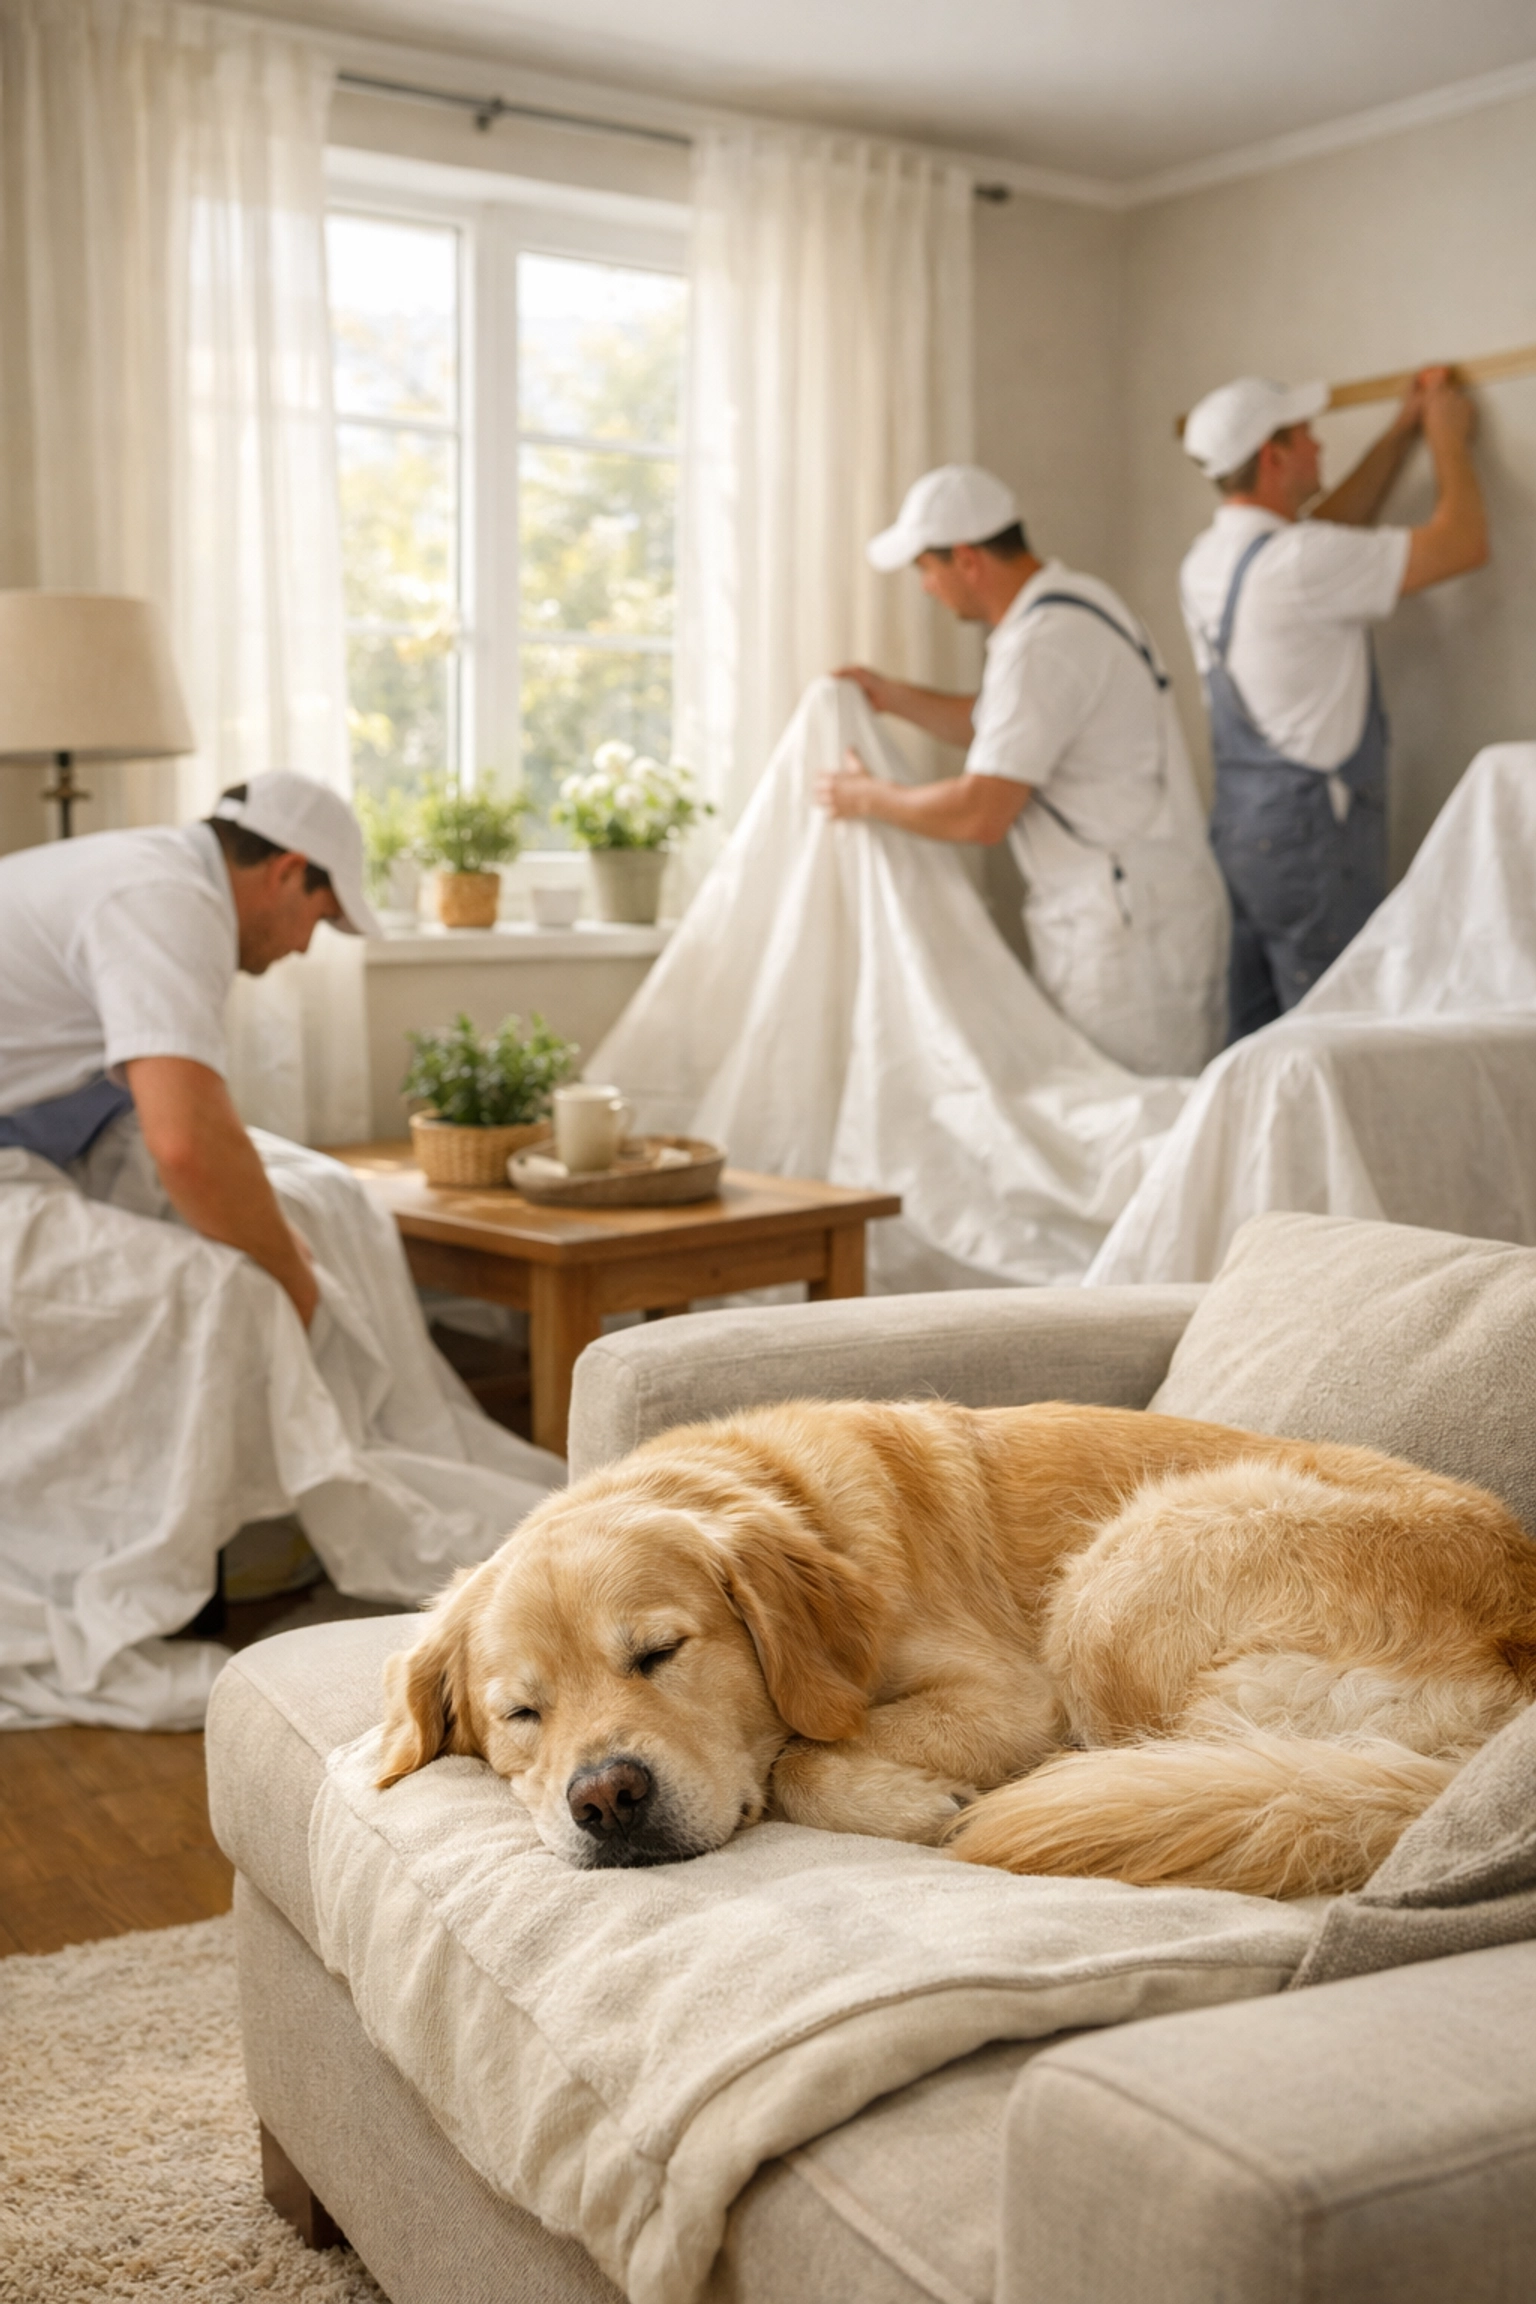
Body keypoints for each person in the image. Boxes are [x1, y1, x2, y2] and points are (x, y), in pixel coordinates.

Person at [0, 774, 563, 1730]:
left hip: (41, 1136)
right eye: (320, 916)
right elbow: (184, 1139)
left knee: (321, 1194)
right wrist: (293, 1283)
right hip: (26, 1151)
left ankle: (352, 1454)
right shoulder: (163, 899)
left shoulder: (150, 874)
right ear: (286, 872)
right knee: (228, 1291)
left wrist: (292, 1234)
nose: (307, 945)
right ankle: (128, 1592)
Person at [816, 464, 1229, 1079]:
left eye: (927, 569)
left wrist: (867, 797)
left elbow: (982, 811)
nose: (927, 588)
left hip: (1126, 934)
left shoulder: (1045, 643)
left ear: (967, 559)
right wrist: (890, 696)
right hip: (1138, 909)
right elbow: (1004, 735)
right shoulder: (1077, 603)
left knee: (1136, 1123)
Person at [1179, 368, 1488, 1039]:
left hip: (1242, 832)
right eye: (1306, 436)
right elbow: (1464, 543)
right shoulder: (1301, 563)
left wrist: (1401, 429)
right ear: (1273, 456)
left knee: (1258, 1045)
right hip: (1310, 842)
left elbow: (1323, 533)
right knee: (1331, 1043)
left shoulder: (1209, 560)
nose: (1321, 447)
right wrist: (1446, 435)